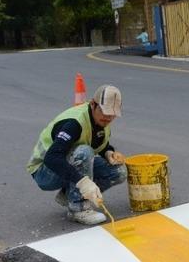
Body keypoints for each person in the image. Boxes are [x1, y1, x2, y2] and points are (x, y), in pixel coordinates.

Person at [27, 85, 127, 225]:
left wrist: (108, 152)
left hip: (67, 163)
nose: (108, 117)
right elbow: (52, 158)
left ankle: (70, 195)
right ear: (93, 104)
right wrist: (82, 182)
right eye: (105, 112)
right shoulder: (74, 123)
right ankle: (78, 209)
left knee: (118, 171)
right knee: (84, 152)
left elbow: (97, 141)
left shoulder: (102, 120)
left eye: (112, 114)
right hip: (44, 171)